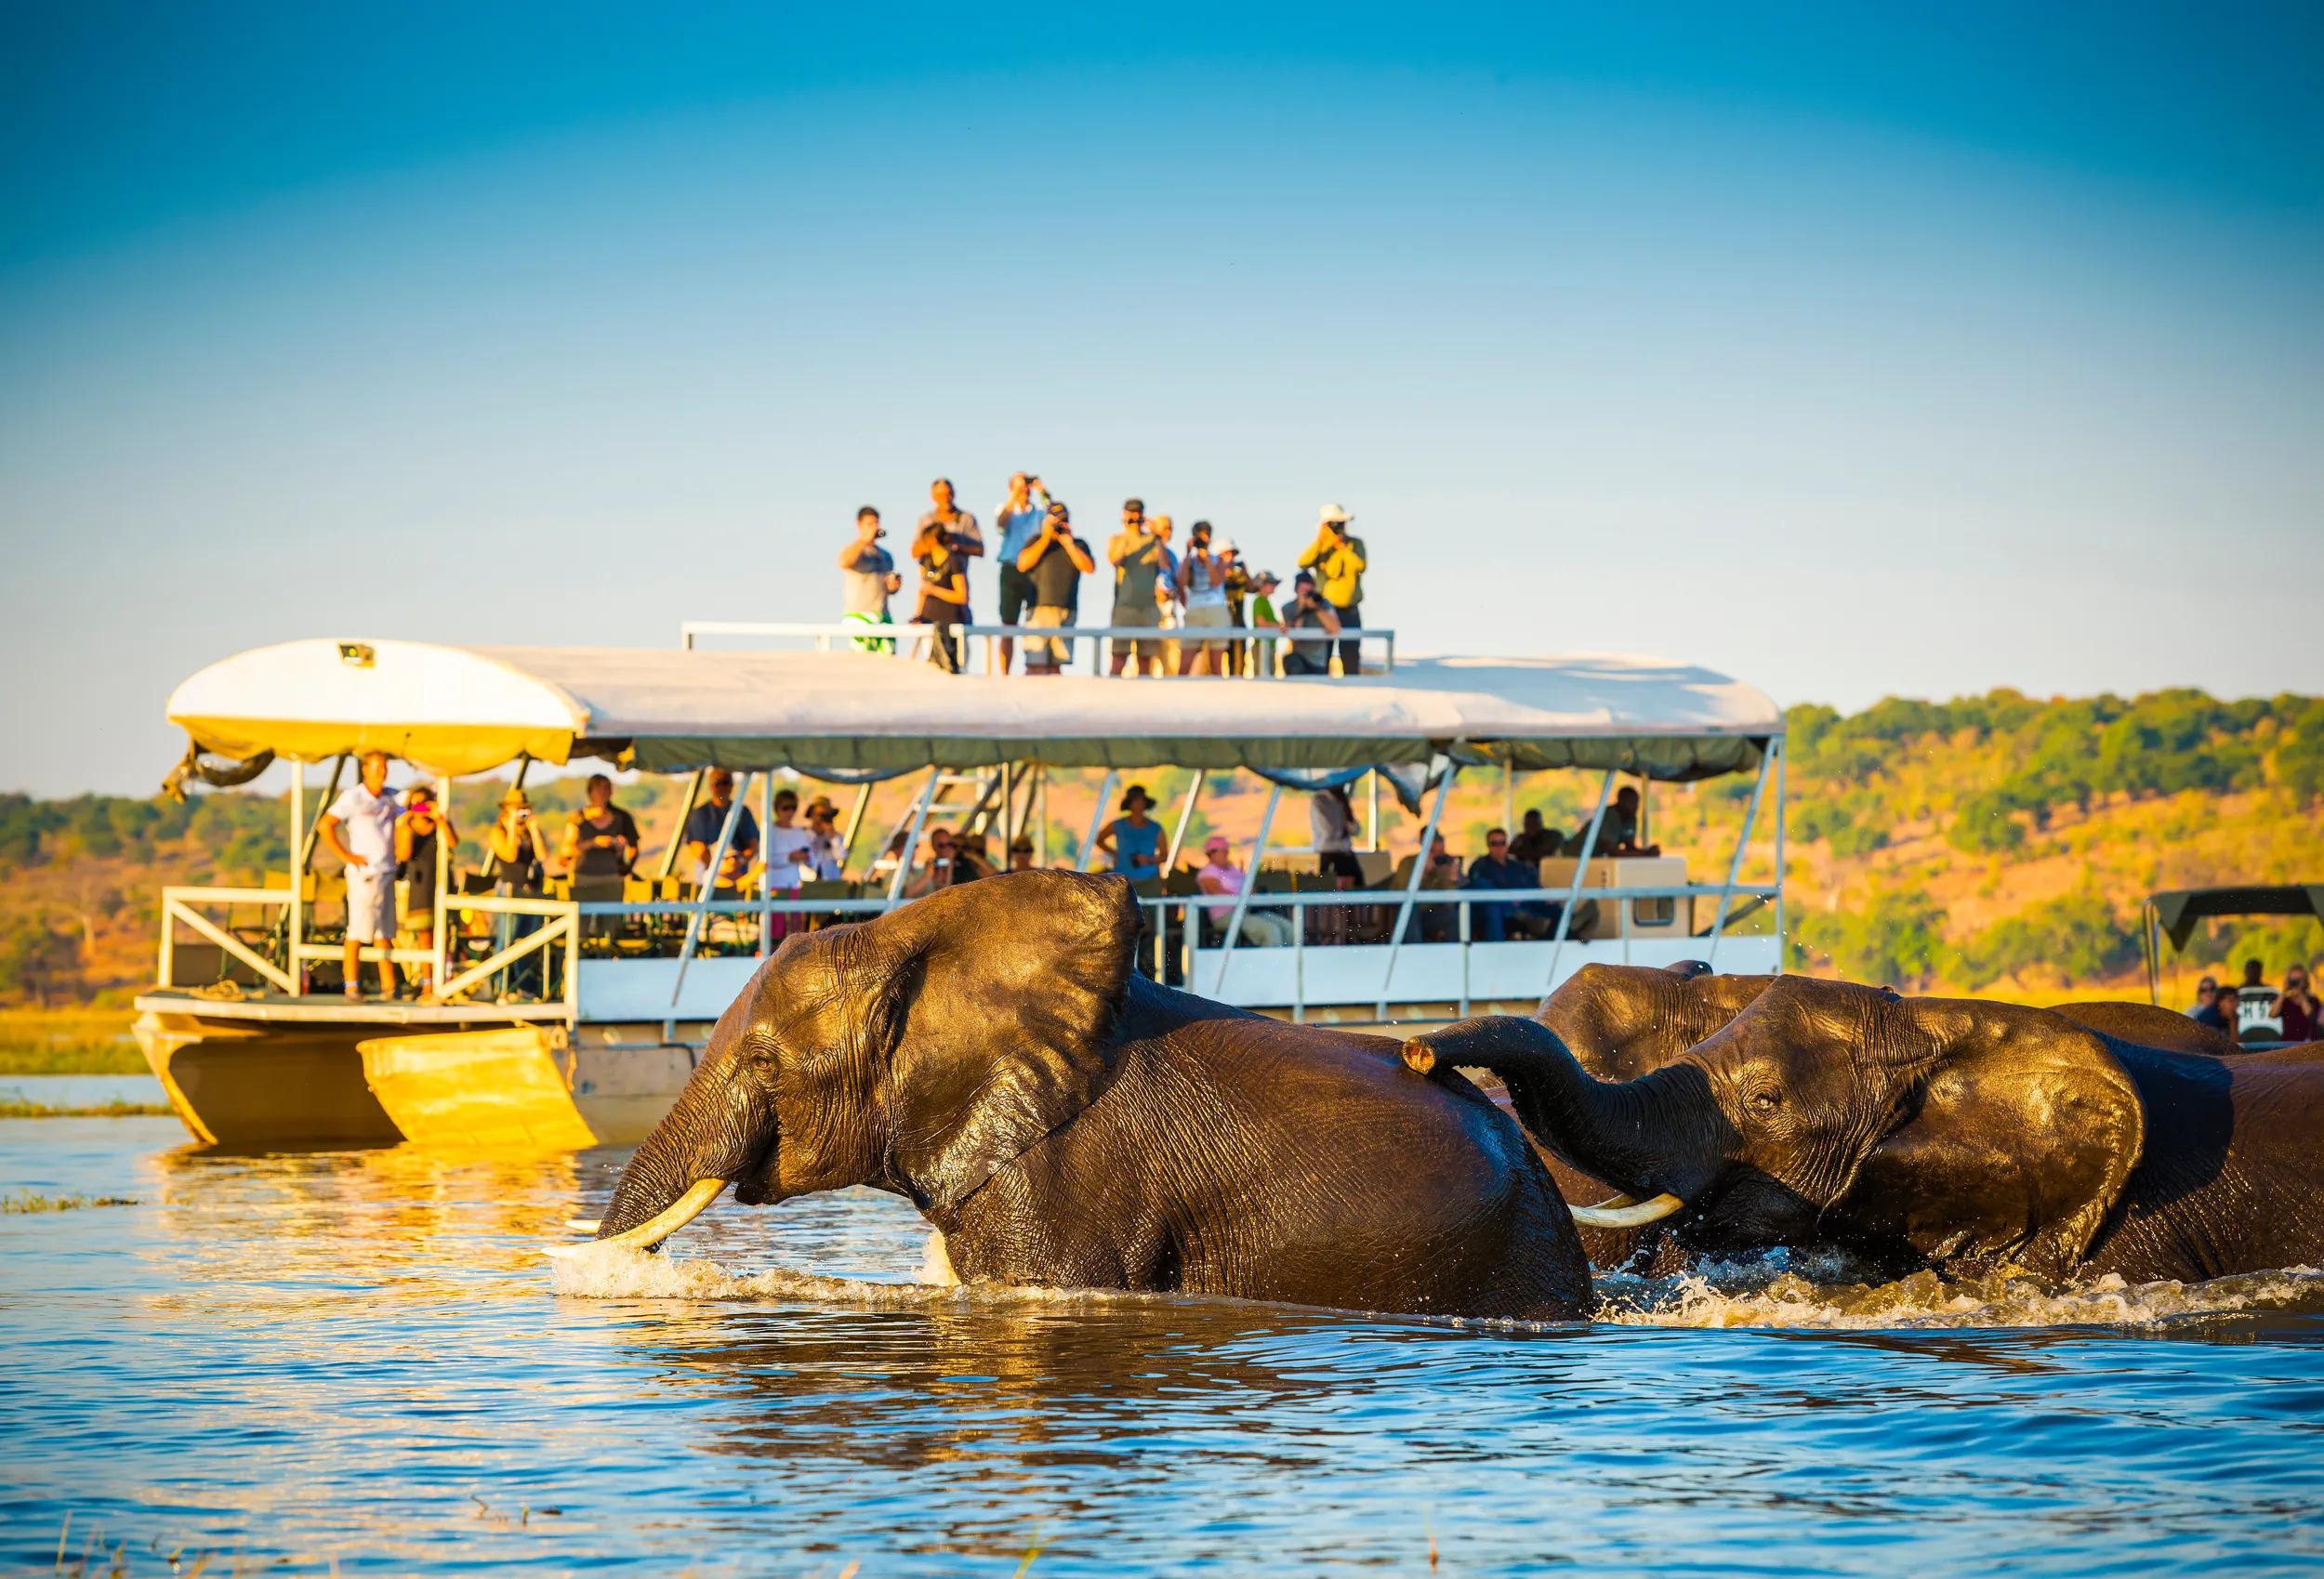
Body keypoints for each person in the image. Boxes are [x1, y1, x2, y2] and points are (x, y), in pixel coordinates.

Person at [318, 751, 401, 1000]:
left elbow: (414, 807)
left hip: (387, 872)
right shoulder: (353, 797)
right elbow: (325, 825)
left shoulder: (391, 797)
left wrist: (427, 804)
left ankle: (390, 986)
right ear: (365, 769)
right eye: (377, 767)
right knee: (358, 931)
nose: (382, 772)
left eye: (384, 767)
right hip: (364, 875)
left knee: (384, 932)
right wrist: (347, 856)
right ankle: (351, 985)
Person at [482, 788, 551, 996]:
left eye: (523, 809)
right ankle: (500, 985)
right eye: (516, 809)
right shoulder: (498, 831)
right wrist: (511, 827)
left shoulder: (529, 830)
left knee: (528, 940)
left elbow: (543, 856)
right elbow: (510, 855)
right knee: (506, 938)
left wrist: (534, 830)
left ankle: (524, 984)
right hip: (509, 889)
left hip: (530, 890)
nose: (521, 813)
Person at [1015, 500, 1095, 676]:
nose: (1060, 524)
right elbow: (1022, 564)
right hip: (1037, 611)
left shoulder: (1078, 544)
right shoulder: (1035, 541)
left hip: (1066, 612)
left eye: (1063, 520)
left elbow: (1089, 568)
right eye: (1056, 520)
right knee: (1035, 665)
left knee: (1056, 667)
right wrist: (1045, 538)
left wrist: (1068, 543)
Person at [393, 783, 457, 996]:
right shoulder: (407, 827)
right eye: (416, 804)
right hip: (419, 885)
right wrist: (405, 825)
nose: (420, 808)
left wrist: (439, 818)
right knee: (424, 935)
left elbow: (453, 842)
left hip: (440, 883)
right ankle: (428, 982)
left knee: (444, 934)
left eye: (424, 803)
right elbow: (403, 855)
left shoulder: (439, 824)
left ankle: (444, 979)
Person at [1297, 503, 1367, 676]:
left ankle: (1353, 688)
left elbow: (1360, 566)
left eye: (1340, 523)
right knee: (1322, 657)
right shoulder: (1321, 548)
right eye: (1333, 524)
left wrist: (1343, 547)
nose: (1338, 528)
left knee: (1351, 657)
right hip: (1325, 611)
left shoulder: (1355, 544)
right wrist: (1321, 540)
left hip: (1349, 610)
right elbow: (1302, 562)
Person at [991, 472, 1051, 673]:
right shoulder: (1005, 509)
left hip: (1035, 570)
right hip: (1011, 569)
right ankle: (1004, 672)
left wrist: (1042, 490)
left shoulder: (1038, 512)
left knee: (1035, 622)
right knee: (1008, 623)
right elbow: (1001, 522)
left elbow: (1054, 512)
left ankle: (1033, 668)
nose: (1024, 489)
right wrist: (1015, 494)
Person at [1462, 827, 1558, 941]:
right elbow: (1478, 887)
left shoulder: (1518, 866)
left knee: (1559, 911)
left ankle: (1550, 944)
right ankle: (1497, 948)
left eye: (1502, 843)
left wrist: (1543, 895)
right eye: (1494, 843)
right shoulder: (1480, 866)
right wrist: (1508, 900)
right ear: (1488, 846)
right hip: (1497, 910)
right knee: (1492, 908)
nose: (1499, 847)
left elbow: (1530, 884)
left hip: (1525, 906)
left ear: (1507, 845)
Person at [1106, 499, 1168, 677]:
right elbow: (1115, 560)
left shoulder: (1153, 540)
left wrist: (1156, 536)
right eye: (1130, 513)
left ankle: (1144, 693)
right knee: (1119, 657)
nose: (1135, 517)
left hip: (1148, 608)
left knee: (1146, 659)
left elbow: (1164, 565)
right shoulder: (1117, 539)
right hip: (1124, 607)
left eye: (1138, 513)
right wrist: (1128, 532)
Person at [1196, 835, 1292, 946]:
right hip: (1226, 915)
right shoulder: (1208, 872)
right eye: (1223, 851)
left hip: (1247, 911)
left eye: (1227, 850)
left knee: (1288, 928)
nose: (1227, 853)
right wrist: (1242, 897)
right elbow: (1215, 891)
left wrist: (1254, 895)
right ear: (1212, 853)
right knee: (1271, 931)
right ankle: (1270, 957)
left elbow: (1249, 888)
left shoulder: (1232, 869)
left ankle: (1290, 956)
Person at [680, 769, 759, 890]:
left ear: (732, 785)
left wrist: (738, 863)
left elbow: (753, 845)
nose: (722, 787)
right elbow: (698, 848)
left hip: (738, 876)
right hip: (709, 879)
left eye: (726, 782)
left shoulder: (742, 812)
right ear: (711, 786)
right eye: (718, 783)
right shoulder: (700, 814)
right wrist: (720, 867)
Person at [912, 514, 972, 673]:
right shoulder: (925, 561)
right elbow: (922, 590)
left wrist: (935, 590)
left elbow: (962, 596)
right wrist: (918, 615)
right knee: (930, 670)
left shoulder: (953, 561)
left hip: (951, 622)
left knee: (954, 668)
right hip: (929, 620)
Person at [837, 507, 902, 651]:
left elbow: (889, 589)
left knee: (888, 659)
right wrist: (863, 540)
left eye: (876, 523)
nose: (874, 528)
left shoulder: (886, 555)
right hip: (858, 616)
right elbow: (844, 562)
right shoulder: (853, 550)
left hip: (883, 616)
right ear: (859, 525)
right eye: (869, 524)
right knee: (863, 661)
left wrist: (894, 586)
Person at [1174, 520, 1233, 675]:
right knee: (1184, 665)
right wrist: (1188, 555)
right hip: (1194, 611)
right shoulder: (1188, 561)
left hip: (1216, 610)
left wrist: (1206, 559)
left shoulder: (1218, 560)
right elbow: (1181, 583)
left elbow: (1216, 581)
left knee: (1216, 666)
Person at [1274, 571, 1343, 676]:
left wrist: (1317, 609)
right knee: (1292, 663)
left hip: (1319, 661)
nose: (1307, 594)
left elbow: (1335, 629)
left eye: (1309, 591)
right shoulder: (1288, 608)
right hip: (1298, 659)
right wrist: (1301, 609)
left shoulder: (1323, 604)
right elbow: (1295, 637)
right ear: (1296, 590)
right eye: (1303, 591)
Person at [1095, 784, 1164, 878]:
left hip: (1149, 879)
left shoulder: (1155, 828)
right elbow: (1098, 839)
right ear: (1129, 804)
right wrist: (1114, 853)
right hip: (1121, 878)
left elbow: (1164, 856)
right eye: (1135, 800)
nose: (1139, 803)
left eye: (1141, 800)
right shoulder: (1118, 825)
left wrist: (1148, 860)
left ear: (1145, 803)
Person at [1587, 786, 1662, 858]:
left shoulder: (1630, 818)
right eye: (1631, 802)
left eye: (1636, 802)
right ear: (1621, 801)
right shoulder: (1609, 815)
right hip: (1582, 857)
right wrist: (1644, 856)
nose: (1635, 806)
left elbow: (1630, 847)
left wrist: (1647, 852)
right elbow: (1611, 851)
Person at [1310, 783, 1362, 884]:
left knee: (1358, 886)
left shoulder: (1342, 801)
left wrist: (1348, 811)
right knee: (1329, 887)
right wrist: (1343, 831)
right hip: (1329, 854)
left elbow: (1356, 830)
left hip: (1346, 853)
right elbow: (1328, 831)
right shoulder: (1320, 800)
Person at [1217, 538, 1249, 675]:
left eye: (1232, 554)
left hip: (1237, 624)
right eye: (1226, 554)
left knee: (1238, 667)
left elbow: (1252, 588)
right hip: (1218, 625)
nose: (1230, 557)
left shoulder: (1240, 574)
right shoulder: (1213, 573)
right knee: (1213, 666)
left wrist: (1245, 573)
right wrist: (1223, 573)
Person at [905, 827, 965, 898]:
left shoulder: (964, 864)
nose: (946, 848)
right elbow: (940, 893)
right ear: (933, 846)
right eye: (941, 845)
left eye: (949, 844)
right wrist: (948, 866)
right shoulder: (932, 866)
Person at [1246, 570, 1283, 677]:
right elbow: (1261, 623)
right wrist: (1279, 626)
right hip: (1261, 646)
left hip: (1270, 645)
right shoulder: (1258, 600)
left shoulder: (1266, 601)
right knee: (1262, 676)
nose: (1273, 586)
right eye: (1270, 583)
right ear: (1261, 585)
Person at [2277, 965, 2317, 1044]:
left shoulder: (2312, 1000)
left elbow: (2310, 1015)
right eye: (2293, 979)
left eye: (2298, 979)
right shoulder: (2286, 1001)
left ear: (2305, 981)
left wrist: (2300, 993)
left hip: (2306, 1044)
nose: (2295, 982)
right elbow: (2272, 1014)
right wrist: (2283, 992)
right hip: (2287, 1043)